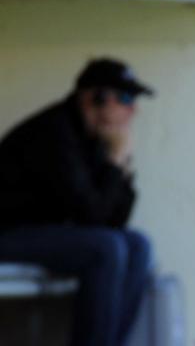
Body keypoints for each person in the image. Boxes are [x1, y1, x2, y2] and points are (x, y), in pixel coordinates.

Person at [0, 57, 153, 346]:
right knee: (106, 248)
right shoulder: (54, 133)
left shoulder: (94, 138)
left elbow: (114, 219)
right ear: (92, 98)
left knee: (137, 245)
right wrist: (115, 161)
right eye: (123, 98)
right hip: (8, 232)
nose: (131, 109)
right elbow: (92, 217)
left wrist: (120, 165)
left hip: (43, 231)